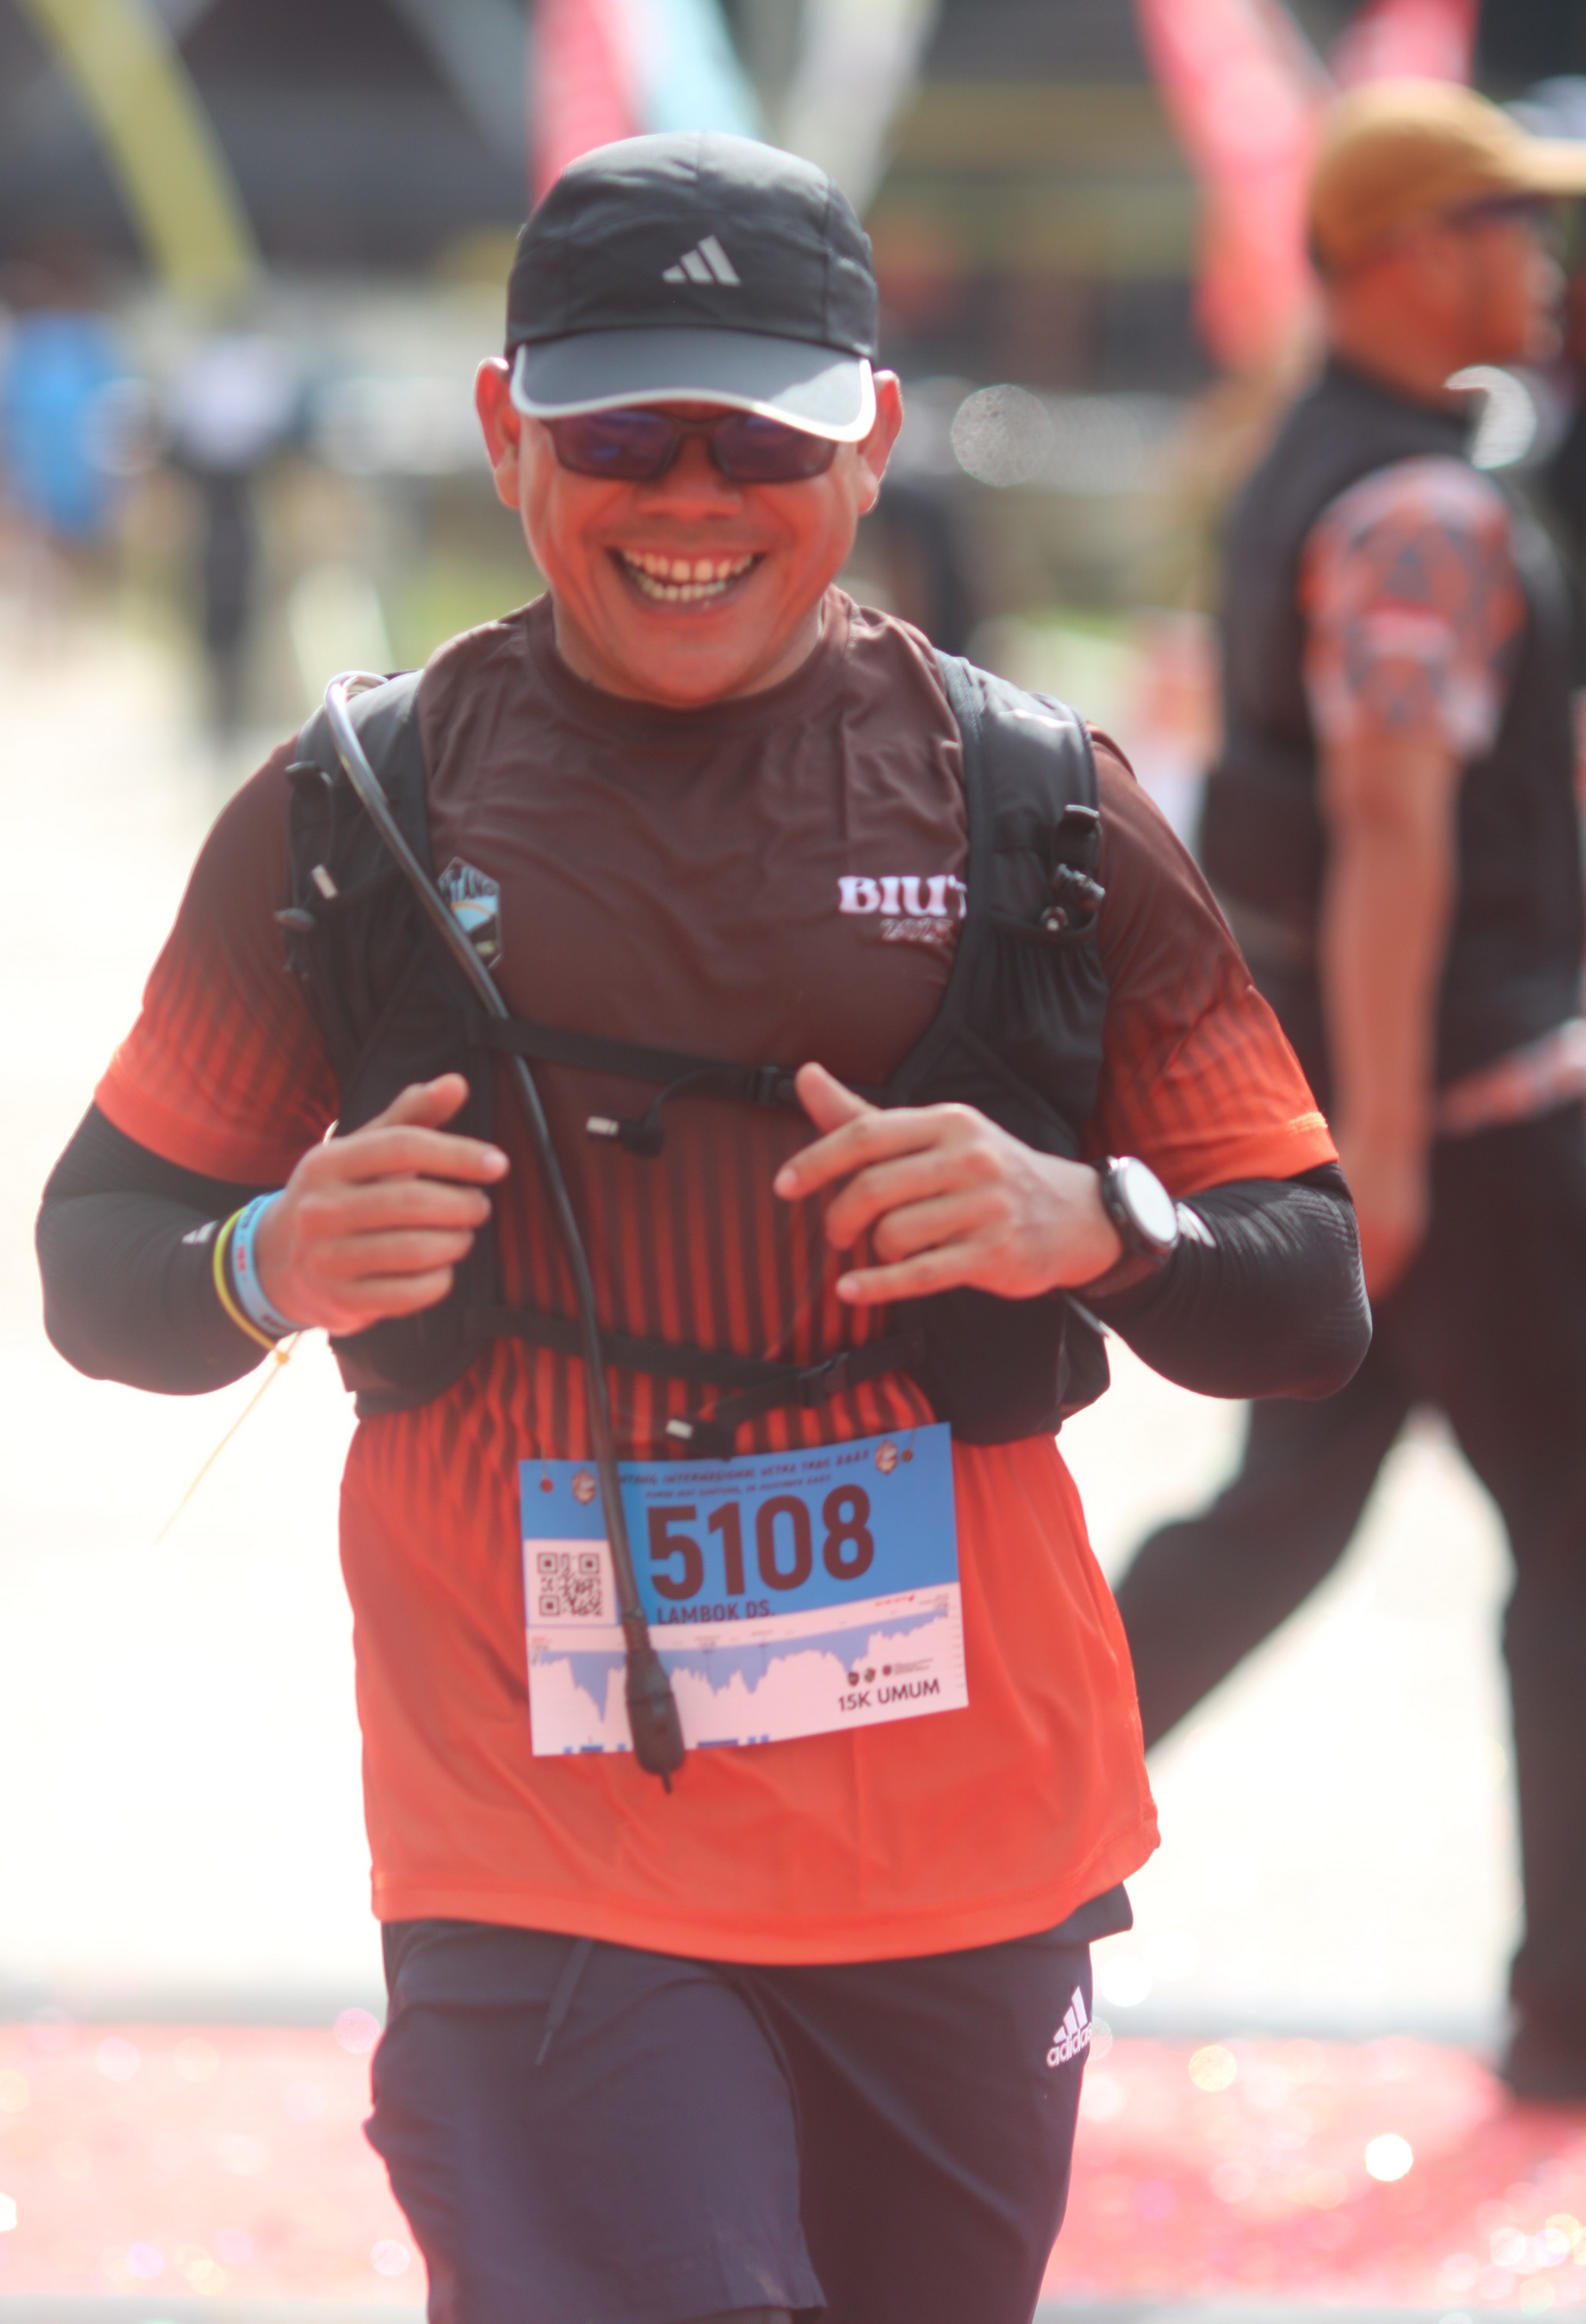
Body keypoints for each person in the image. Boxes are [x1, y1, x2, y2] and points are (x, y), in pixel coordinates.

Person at [38, 135, 1365, 2324]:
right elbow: (104, 1258)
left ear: (871, 440)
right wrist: (269, 1259)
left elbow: (1306, 1293)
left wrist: (1092, 1226)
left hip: (966, 1851)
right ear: (505, 433)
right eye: (620, 434)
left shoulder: (1040, 805)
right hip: (532, 1844)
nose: (688, 496)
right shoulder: (352, 814)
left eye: (758, 439)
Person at [1116, 81, 1586, 2104]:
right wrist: (1376, 1152)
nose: (1545, 266)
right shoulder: (1420, 506)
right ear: (1407, 256)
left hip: (1385, 1110)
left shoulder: (1324, 462)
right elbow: (1394, 835)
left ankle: (961, 1836)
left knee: (1279, 1521)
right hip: (1469, 1127)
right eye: (1509, 226)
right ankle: (1573, 2011)